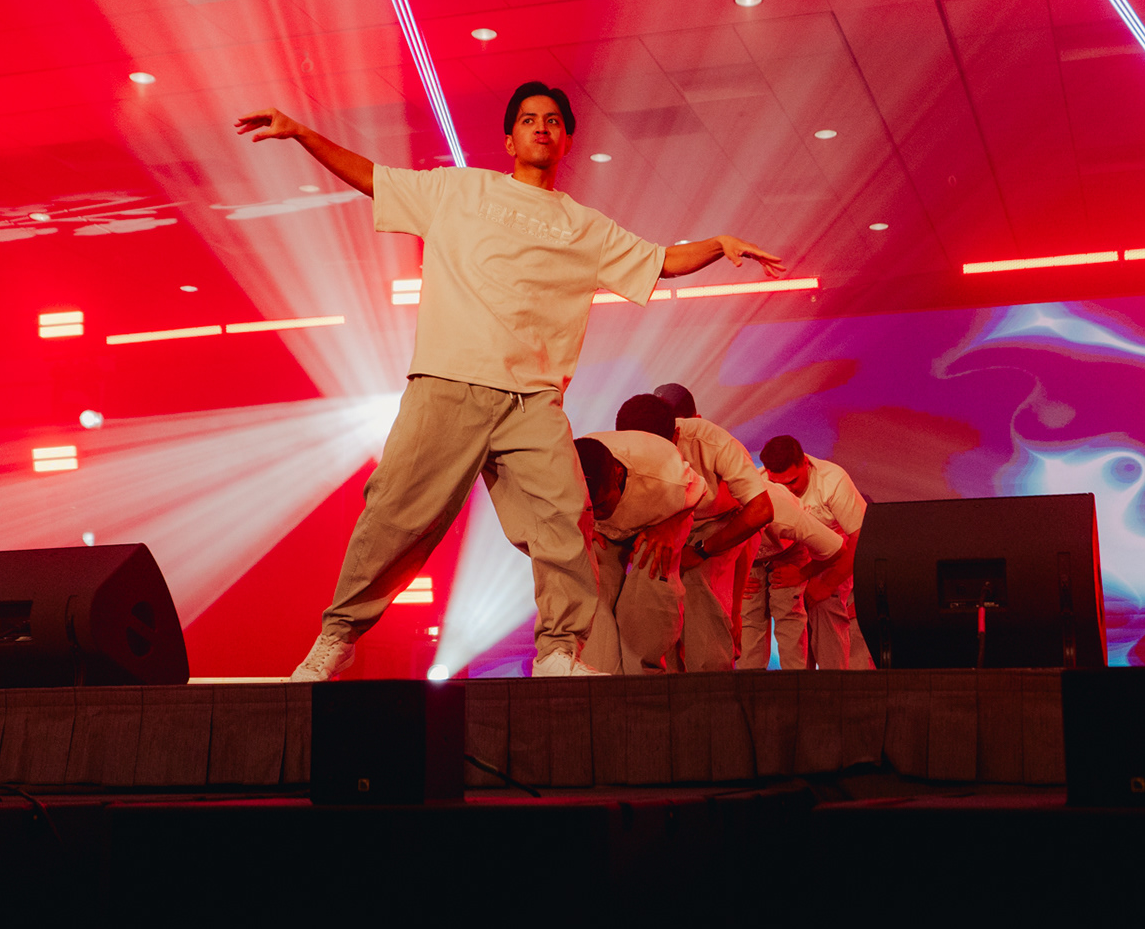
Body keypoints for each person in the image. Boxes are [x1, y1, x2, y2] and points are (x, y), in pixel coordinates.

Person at [237, 83, 783, 681]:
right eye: (528, 120)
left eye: (552, 120)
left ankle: (558, 650)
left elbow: (661, 260)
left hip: (533, 400)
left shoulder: (586, 227)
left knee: (566, 517)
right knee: (395, 516)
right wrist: (302, 132)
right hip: (449, 381)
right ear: (509, 139)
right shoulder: (460, 190)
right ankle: (338, 636)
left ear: (566, 139)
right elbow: (375, 179)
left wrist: (718, 244)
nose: (541, 127)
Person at [627, 386, 772, 671]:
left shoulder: (711, 441)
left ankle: (710, 681)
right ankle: (662, 678)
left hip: (721, 521)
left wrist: (702, 551)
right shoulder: (627, 445)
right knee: (650, 575)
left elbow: (761, 511)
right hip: (668, 521)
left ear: (675, 435)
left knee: (697, 582)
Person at [572, 431, 704, 674]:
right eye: (590, 507)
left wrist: (669, 527)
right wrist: (582, 524)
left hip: (660, 522)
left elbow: (699, 491)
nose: (598, 513)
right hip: (604, 533)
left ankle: (644, 677)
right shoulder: (563, 472)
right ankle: (600, 677)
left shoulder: (664, 475)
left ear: (618, 475)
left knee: (650, 577)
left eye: (601, 505)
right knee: (593, 587)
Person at [761, 436, 874, 670]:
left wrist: (825, 584)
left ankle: (834, 683)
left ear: (805, 463)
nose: (787, 490)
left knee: (824, 604)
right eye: (778, 484)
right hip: (783, 556)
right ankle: (797, 684)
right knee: (781, 609)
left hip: (835, 556)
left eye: (793, 482)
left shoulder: (832, 481)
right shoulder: (759, 481)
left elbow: (860, 539)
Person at [737, 482, 843, 670]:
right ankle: (749, 682)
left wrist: (802, 574)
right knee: (748, 614)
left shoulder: (787, 515)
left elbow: (837, 548)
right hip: (745, 553)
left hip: (789, 550)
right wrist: (737, 579)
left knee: (787, 612)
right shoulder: (715, 513)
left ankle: (795, 679)